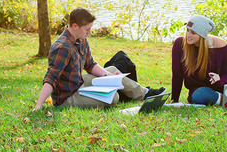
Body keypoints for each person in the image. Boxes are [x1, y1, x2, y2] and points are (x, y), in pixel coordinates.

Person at [34, 8, 166, 110]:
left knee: (113, 69)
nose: (89, 32)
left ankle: (146, 93)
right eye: (87, 29)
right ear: (75, 26)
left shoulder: (81, 39)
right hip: (67, 96)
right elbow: (51, 79)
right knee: (114, 97)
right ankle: (130, 94)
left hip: (79, 83)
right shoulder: (62, 47)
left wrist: (109, 76)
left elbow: (90, 65)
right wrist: (38, 106)